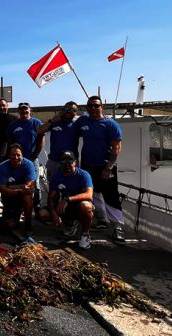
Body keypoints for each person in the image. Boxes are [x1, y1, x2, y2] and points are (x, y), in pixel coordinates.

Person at [73, 96, 125, 242]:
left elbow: (117, 148)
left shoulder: (110, 124)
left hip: (105, 167)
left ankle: (117, 228)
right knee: (92, 194)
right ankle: (101, 220)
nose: (93, 109)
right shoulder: (83, 121)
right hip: (88, 166)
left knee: (111, 197)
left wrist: (109, 168)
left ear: (102, 107)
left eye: (96, 106)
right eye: (90, 106)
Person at [48, 151, 94, 249]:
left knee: (86, 206)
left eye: (70, 161)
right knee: (43, 214)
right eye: (64, 161)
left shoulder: (84, 174)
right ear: (60, 163)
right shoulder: (56, 177)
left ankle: (85, 234)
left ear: (75, 162)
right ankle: (70, 223)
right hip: (66, 207)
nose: (67, 164)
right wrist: (53, 214)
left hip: (78, 205)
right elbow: (51, 197)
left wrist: (67, 199)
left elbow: (89, 195)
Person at [6, 102, 44, 209]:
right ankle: (22, 208)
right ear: (18, 111)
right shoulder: (13, 124)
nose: (24, 111)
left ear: (30, 110)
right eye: (21, 109)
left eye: (26, 109)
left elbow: (41, 141)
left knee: (35, 184)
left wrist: (35, 155)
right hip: (18, 160)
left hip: (32, 159)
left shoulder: (37, 122)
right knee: (20, 183)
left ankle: (37, 208)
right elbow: (9, 141)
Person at [0, 144, 37, 239]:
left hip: (22, 195)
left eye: (18, 155)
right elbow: (3, 190)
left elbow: (30, 186)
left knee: (28, 194)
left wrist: (10, 186)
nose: (16, 157)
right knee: (10, 226)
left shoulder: (29, 164)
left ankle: (28, 224)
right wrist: (20, 190)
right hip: (10, 197)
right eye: (13, 155)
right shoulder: (1, 167)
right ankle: (14, 216)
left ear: (22, 155)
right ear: (9, 156)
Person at [39, 101, 80, 182]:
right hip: (54, 161)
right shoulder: (55, 122)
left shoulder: (78, 124)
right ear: (62, 110)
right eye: (66, 109)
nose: (68, 112)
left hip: (71, 163)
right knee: (53, 188)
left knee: (72, 187)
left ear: (76, 113)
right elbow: (39, 131)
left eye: (72, 110)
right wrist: (52, 120)